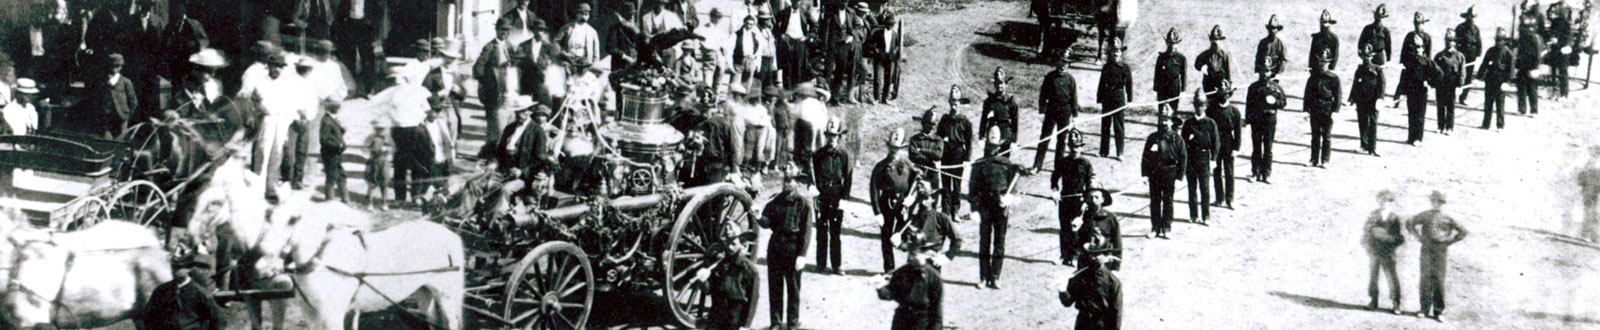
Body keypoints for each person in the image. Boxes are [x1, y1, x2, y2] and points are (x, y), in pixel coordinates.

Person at [971, 130, 1029, 289]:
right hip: (984, 207)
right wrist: (974, 209)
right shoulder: (979, 164)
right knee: (984, 242)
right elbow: (972, 190)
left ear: (999, 147)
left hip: (1001, 208)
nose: (992, 150)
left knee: (999, 242)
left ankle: (995, 277)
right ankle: (983, 277)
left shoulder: (1007, 164)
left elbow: (1014, 188)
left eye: (994, 147)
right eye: (989, 147)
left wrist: (1009, 198)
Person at [761, 165, 814, 330]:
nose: (787, 184)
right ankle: (776, 323)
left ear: (797, 183)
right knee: (775, 287)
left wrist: (802, 255)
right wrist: (758, 217)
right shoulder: (775, 201)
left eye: (791, 181)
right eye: (785, 181)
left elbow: (806, 231)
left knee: (793, 289)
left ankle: (792, 323)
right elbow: (767, 222)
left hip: (793, 247)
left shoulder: (803, 203)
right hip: (776, 246)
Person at [1406, 191, 1469, 323]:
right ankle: (1423, 309)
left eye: (1440, 202)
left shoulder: (1448, 217)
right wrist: (1417, 236)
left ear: (1443, 203)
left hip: (1441, 250)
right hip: (1426, 249)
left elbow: (1463, 231)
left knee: (1439, 280)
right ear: (1431, 202)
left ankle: (1438, 311)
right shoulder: (1425, 215)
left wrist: (1449, 242)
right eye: (1434, 201)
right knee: (1425, 279)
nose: (1437, 204)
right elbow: (1410, 222)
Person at [872, 129, 921, 273]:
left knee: (905, 236)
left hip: (902, 204)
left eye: (897, 148)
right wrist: (877, 212)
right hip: (886, 203)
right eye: (892, 148)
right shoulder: (880, 167)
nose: (894, 151)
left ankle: (910, 267)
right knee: (886, 237)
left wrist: (912, 197)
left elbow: (917, 180)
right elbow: (873, 189)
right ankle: (889, 269)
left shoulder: (907, 164)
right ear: (888, 147)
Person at [141, 254, 225, 330]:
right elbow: (149, 315)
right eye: (173, 267)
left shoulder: (201, 293)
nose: (174, 271)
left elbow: (217, 320)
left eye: (179, 268)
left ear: (189, 269)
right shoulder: (162, 290)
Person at [877, 238, 946, 330]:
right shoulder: (902, 272)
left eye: (914, 254)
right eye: (910, 254)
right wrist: (879, 286)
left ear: (924, 255)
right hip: (902, 320)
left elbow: (937, 308)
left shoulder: (933, 277)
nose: (910, 257)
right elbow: (891, 293)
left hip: (922, 322)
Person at [812, 117, 852, 275]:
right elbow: (812, 175)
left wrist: (845, 199)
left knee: (835, 231)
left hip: (837, 195)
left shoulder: (844, 154)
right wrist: (813, 190)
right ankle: (820, 263)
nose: (831, 138)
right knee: (821, 229)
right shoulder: (818, 154)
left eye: (834, 135)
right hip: (822, 195)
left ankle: (836, 265)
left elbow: (848, 178)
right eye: (829, 135)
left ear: (839, 136)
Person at [1060, 235, 1122, 329]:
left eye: (1096, 255)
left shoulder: (1113, 282)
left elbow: (1116, 315)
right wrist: (1063, 289)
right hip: (1082, 325)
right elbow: (1068, 302)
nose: (1092, 258)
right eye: (1090, 254)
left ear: (1105, 256)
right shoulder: (1080, 275)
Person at [1141, 105, 1185, 238]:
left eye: (1167, 120)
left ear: (1171, 121)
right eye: (1162, 119)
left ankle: (1166, 228)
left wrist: (1179, 176)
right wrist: (1145, 174)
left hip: (1169, 172)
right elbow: (1145, 157)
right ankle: (1155, 228)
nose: (1164, 123)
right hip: (1154, 172)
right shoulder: (1152, 138)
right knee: (1155, 201)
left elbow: (1183, 157)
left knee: (1168, 201)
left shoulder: (1177, 138)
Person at [1050, 130, 1092, 266]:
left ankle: (1075, 256)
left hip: (1079, 200)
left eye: (1078, 146)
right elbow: (1054, 178)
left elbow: (1090, 183)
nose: (1075, 150)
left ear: (1082, 147)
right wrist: (1055, 191)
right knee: (1064, 228)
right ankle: (1064, 256)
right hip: (1065, 199)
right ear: (1068, 146)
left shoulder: (1086, 164)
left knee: (1076, 229)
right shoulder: (1063, 162)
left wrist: (1086, 201)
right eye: (1072, 147)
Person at [475, 18, 517, 145]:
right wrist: (487, 83)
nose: (505, 33)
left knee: (507, 126)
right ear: (496, 30)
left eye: (507, 30)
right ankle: (491, 151)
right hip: (494, 93)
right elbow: (478, 68)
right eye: (502, 30)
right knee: (495, 127)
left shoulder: (509, 46)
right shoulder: (489, 47)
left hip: (508, 91)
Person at [1363, 189, 1405, 315]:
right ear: (1378, 201)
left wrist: (1391, 243)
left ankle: (1396, 303)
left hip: (1388, 252)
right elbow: (1367, 231)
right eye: (1381, 200)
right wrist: (1369, 246)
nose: (1383, 203)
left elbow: (1398, 237)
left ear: (1391, 202)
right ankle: (1373, 300)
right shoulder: (1373, 215)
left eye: (1386, 201)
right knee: (1373, 276)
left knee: (1391, 277)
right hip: (1375, 250)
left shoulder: (1394, 218)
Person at [1035, 58, 1079, 170]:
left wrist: (1075, 115)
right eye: (1061, 61)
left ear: (1069, 64)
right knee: (1045, 138)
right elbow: (1043, 94)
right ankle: (1037, 165)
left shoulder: (1070, 79)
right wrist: (1042, 111)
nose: (1063, 65)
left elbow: (1074, 98)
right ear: (1057, 62)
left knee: (1062, 140)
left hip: (1065, 112)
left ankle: (1058, 167)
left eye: (1066, 62)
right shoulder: (1050, 77)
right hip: (1051, 110)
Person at [937, 86, 974, 217]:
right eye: (952, 103)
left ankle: (955, 211)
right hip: (946, 154)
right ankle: (946, 212)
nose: (954, 106)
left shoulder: (965, 121)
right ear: (949, 102)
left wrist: (967, 159)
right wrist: (938, 154)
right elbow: (938, 138)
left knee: (957, 184)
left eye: (956, 103)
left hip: (958, 154)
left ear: (960, 104)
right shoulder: (944, 119)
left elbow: (969, 142)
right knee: (945, 184)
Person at [1180, 92, 1217, 225]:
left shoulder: (1211, 123)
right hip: (1191, 159)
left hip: (1204, 158)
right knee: (1192, 188)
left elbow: (1215, 142)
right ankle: (1193, 215)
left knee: (1205, 189)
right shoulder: (1188, 123)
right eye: (1197, 105)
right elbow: (1182, 143)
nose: (1199, 108)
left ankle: (1206, 216)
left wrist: (1213, 159)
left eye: (1201, 105)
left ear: (1205, 106)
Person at [1394, 37, 1435, 145]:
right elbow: (1404, 78)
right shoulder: (1409, 62)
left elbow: (1438, 74)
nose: (1417, 50)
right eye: (1415, 48)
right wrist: (1402, 92)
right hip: (1411, 91)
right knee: (1411, 115)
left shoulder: (1427, 62)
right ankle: (1411, 137)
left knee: (1420, 116)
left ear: (1423, 49)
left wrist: (1430, 83)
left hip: (1421, 92)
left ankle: (1418, 138)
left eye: (1419, 47)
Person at [1305, 49, 1342, 168]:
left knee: (1326, 136)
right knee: (1315, 136)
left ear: (1329, 63)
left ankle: (1325, 160)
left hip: (1327, 108)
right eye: (1321, 62)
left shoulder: (1333, 78)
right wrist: (1306, 110)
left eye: (1325, 62)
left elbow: (1338, 96)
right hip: (1315, 109)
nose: (1322, 64)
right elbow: (1307, 94)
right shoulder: (1313, 77)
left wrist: (1335, 111)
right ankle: (1313, 159)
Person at [1207, 82, 1242, 208]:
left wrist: (1236, 148)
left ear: (1229, 95)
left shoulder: (1234, 111)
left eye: (1226, 93)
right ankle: (1219, 198)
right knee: (1216, 171)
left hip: (1228, 143)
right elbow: (1208, 128)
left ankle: (1229, 199)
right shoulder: (1211, 110)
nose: (1223, 96)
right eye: (1221, 93)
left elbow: (1238, 131)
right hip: (1215, 143)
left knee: (1229, 172)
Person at [1246, 72, 1285, 183]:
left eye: (1267, 71)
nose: (1264, 74)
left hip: (1269, 120)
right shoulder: (1253, 87)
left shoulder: (1276, 87)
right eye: (1262, 71)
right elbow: (1249, 104)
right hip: (1256, 120)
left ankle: (1266, 173)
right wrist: (1248, 119)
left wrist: (1274, 102)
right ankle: (1255, 172)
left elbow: (1283, 102)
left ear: (1271, 72)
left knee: (1268, 148)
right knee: (1256, 147)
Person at [1098, 39, 1132, 160]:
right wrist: (1100, 98)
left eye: (1118, 51)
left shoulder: (1125, 68)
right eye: (1114, 51)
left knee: (1119, 126)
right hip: (1107, 97)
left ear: (1121, 53)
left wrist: (1130, 100)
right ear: (1110, 53)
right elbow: (1101, 83)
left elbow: (1129, 84)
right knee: (1105, 125)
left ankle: (1120, 152)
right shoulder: (1106, 67)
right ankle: (1104, 151)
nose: (1116, 54)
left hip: (1119, 97)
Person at [1351, 44, 1387, 157]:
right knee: (1362, 122)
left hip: (1373, 100)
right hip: (1361, 100)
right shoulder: (1359, 70)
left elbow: (1382, 85)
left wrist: (1380, 98)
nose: (1366, 59)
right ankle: (1364, 145)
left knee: (1373, 123)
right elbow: (1355, 85)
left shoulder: (1377, 69)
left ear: (1372, 57)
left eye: (1368, 56)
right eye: (1364, 56)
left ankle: (1372, 148)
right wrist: (1351, 99)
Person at [1075, 189, 1121, 270]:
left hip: (1104, 262)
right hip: (1085, 262)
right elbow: (1075, 244)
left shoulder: (1110, 218)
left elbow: (1117, 243)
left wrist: (1116, 268)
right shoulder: (1082, 218)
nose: (1093, 200)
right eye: (1090, 197)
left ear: (1102, 199)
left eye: (1096, 197)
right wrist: (1075, 229)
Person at [1479, 28, 1514, 130]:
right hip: (1490, 80)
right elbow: (1484, 64)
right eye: (1497, 39)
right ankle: (1486, 124)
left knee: (1500, 104)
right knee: (1488, 103)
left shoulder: (1508, 53)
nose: (1498, 42)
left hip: (1501, 81)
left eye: (1501, 40)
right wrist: (1478, 77)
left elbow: (1511, 69)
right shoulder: (1490, 51)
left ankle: (1500, 125)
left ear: (1504, 40)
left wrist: (1507, 82)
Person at [1432, 30, 1466, 136]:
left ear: (1455, 42)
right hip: (1441, 83)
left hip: (1452, 84)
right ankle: (1440, 126)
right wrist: (1432, 83)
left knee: (1450, 106)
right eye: (1447, 40)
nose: (1449, 42)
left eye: (1451, 40)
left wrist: (1460, 85)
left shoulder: (1459, 56)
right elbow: (1433, 70)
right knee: (1440, 105)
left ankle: (1449, 127)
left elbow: (1462, 72)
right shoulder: (1439, 56)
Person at [980, 67, 1019, 153]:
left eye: (1001, 83)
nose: (999, 86)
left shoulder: (1011, 103)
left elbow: (1015, 124)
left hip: (1005, 135)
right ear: (994, 84)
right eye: (997, 83)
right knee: (990, 158)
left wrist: (1014, 141)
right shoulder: (989, 101)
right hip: (991, 133)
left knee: (1003, 159)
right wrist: (981, 137)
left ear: (1006, 84)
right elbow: (983, 120)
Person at [869, 10, 901, 104]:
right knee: (878, 79)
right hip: (880, 58)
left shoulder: (895, 34)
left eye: (892, 24)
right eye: (888, 23)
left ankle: (885, 98)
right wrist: (876, 51)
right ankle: (876, 98)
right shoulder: (878, 33)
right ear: (885, 23)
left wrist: (894, 52)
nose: (890, 26)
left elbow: (897, 46)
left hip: (890, 59)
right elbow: (871, 43)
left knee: (888, 79)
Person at [1515, 15, 1545, 116]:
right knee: (1521, 88)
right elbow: (1519, 53)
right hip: (1523, 66)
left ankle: (1534, 110)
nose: (1526, 29)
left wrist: (1535, 68)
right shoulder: (1522, 38)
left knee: (1532, 89)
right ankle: (1521, 109)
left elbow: (1538, 55)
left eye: (1528, 27)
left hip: (1532, 67)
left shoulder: (1535, 39)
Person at [320, 97, 348, 203]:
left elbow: (334, 135)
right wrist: (337, 146)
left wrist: (342, 131)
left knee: (341, 174)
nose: (338, 109)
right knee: (332, 175)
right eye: (336, 107)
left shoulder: (333, 119)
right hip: (330, 153)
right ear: (332, 108)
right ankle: (330, 200)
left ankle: (344, 199)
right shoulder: (327, 121)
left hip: (335, 153)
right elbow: (324, 139)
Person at [1195, 25, 1232, 105]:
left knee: (1220, 104)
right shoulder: (1205, 54)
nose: (1214, 42)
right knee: (1211, 104)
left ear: (1220, 40)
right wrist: (1202, 67)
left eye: (1217, 39)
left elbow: (1228, 71)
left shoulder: (1225, 55)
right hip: (1208, 83)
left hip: (1221, 83)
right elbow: (1197, 63)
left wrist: (1229, 85)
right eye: (1213, 39)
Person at [1153, 28, 1187, 115]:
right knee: (1162, 111)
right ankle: (1161, 124)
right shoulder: (1161, 57)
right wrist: (1155, 90)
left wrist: (1183, 91)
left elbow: (1184, 75)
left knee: (1173, 110)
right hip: (1162, 87)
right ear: (1166, 43)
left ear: (1177, 44)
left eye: (1174, 43)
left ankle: (1173, 124)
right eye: (1170, 43)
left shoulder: (1181, 58)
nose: (1172, 45)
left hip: (1174, 87)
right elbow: (1157, 75)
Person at [104, 53, 138, 138]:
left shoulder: (125, 82)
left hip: (122, 116)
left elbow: (133, 101)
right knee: (107, 138)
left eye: (118, 66)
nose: (114, 69)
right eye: (112, 66)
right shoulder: (103, 81)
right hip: (107, 116)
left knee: (122, 137)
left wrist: (127, 114)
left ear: (121, 67)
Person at [1454, 7, 1482, 104]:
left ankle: (1463, 98)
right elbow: (1455, 42)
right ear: (1466, 17)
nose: (1472, 19)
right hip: (1461, 56)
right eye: (1470, 16)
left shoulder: (1476, 29)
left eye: (1473, 17)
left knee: (1468, 77)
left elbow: (1479, 43)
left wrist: (1478, 56)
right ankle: (1453, 96)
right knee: (1458, 75)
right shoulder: (1460, 28)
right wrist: (1456, 55)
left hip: (1471, 57)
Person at [364, 120, 394, 210]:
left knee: (385, 182)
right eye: (378, 129)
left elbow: (393, 148)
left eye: (381, 129)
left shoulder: (388, 138)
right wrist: (373, 149)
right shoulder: (370, 138)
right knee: (372, 182)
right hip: (373, 161)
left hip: (384, 162)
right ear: (375, 129)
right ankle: (370, 203)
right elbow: (365, 148)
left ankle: (384, 203)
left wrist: (388, 150)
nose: (380, 130)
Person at [1546, 0, 1574, 98]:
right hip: (1555, 49)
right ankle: (1554, 92)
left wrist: (1561, 43)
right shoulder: (1555, 21)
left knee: (1563, 72)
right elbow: (1552, 32)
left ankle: (1564, 94)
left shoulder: (1568, 24)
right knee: (1553, 70)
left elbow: (1569, 38)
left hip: (1563, 50)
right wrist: (1552, 38)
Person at [1578, 146, 1600, 243]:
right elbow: (1582, 177)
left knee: (1592, 211)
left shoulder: (1591, 163)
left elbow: (1582, 176)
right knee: (1590, 211)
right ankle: (1589, 235)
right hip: (1590, 190)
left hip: (1593, 190)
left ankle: (1591, 235)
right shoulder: (1589, 162)